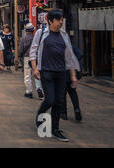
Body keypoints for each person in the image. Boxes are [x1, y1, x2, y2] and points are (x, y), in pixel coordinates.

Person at [30, 9, 80, 142]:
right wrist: (35, 69)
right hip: (46, 72)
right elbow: (33, 51)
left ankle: (55, 129)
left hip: (61, 73)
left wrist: (73, 75)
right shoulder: (41, 34)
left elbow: (69, 57)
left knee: (59, 101)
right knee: (50, 99)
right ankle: (40, 114)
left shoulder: (64, 35)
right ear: (50, 21)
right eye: (58, 20)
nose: (61, 22)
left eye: (62, 19)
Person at [18, 23, 44, 99]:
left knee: (27, 75)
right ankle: (39, 90)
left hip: (27, 58)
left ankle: (29, 92)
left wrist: (19, 56)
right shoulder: (37, 38)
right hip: (36, 58)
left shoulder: (23, 39)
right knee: (36, 73)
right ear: (33, 30)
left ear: (26, 31)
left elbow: (20, 50)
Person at [61, 45, 83, 121]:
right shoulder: (71, 46)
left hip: (62, 72)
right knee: (73, 92)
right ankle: (77, 110)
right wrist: (74, 62)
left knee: (62, 94)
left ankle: (64, 113)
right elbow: (80, 54)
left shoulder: (59, 46)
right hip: (71, 73)